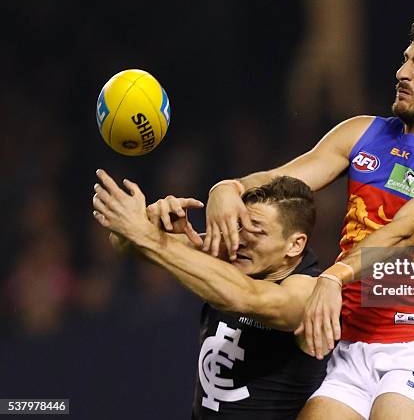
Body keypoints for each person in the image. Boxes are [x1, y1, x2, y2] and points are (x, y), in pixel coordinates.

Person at [202, 7, 414, 420]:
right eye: (404, 60)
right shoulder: (362, 132)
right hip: (351, 347)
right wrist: (229, 188)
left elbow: (403, 233)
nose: (402, 72)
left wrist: (333, 276)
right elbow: (279, 180)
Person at [92, 173, 330, 419]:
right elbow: (125, 244)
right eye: (239, 224)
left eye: (256, 231)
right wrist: (153, 225)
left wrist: (150, 237)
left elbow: (246, 297)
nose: (240, 239)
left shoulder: (311, 292)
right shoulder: (229, 252)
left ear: (295, 245)